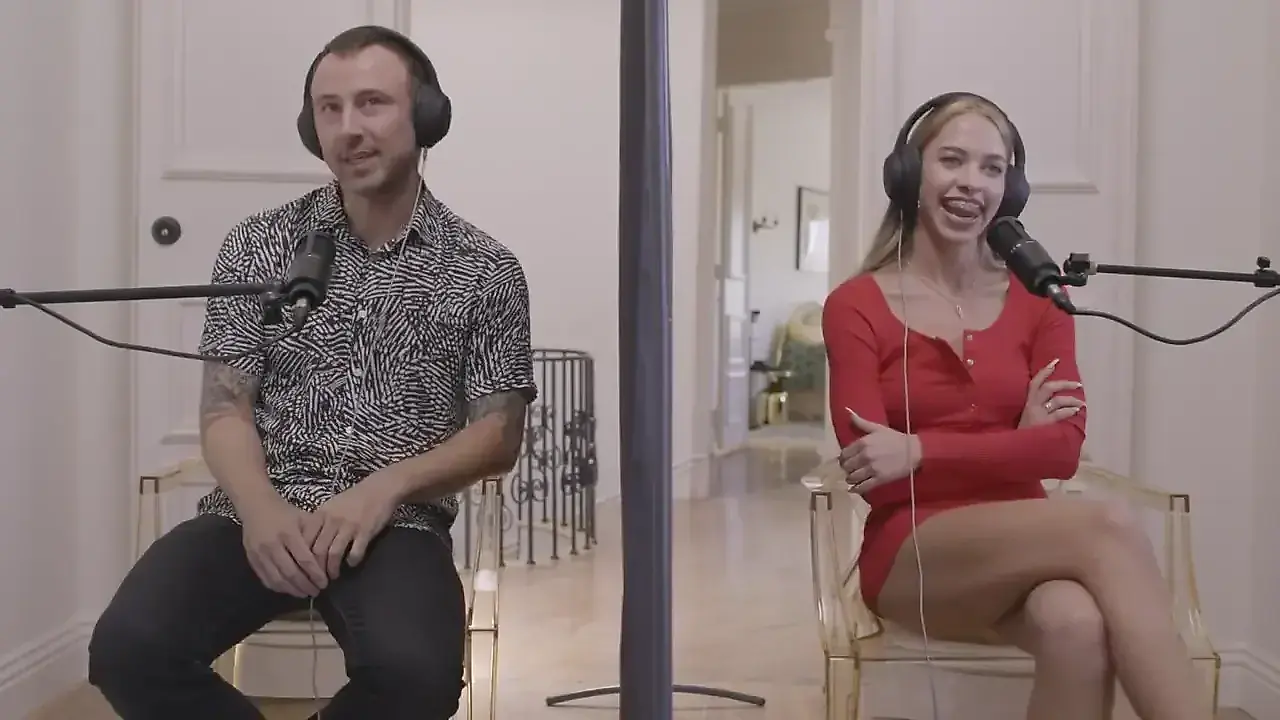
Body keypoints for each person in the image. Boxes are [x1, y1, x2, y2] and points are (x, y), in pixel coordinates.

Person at [87, 25, 536, 720]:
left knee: (417, 677)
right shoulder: (258, 244)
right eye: (330, 109)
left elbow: (499, 434)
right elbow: (224, 407)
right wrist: (260, 509)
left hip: (395, 523)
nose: (348, 128)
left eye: (372, 103)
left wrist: (386, 487)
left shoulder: (485, 269)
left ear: (425, 117)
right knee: (128, 649)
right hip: (258, 508)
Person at [823, 92, 1209, 719]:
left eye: (992, 168)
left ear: (1011, 189)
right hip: (915, 555)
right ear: (911, 174)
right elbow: (877, 476)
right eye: (952, 160)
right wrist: (1015, 443)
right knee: (1108, 527)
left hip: (1030, 538)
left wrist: (918, 450)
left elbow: (1062, 451)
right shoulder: (855, 305)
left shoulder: (1041, 297)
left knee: (1076, 623)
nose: (971, 183)